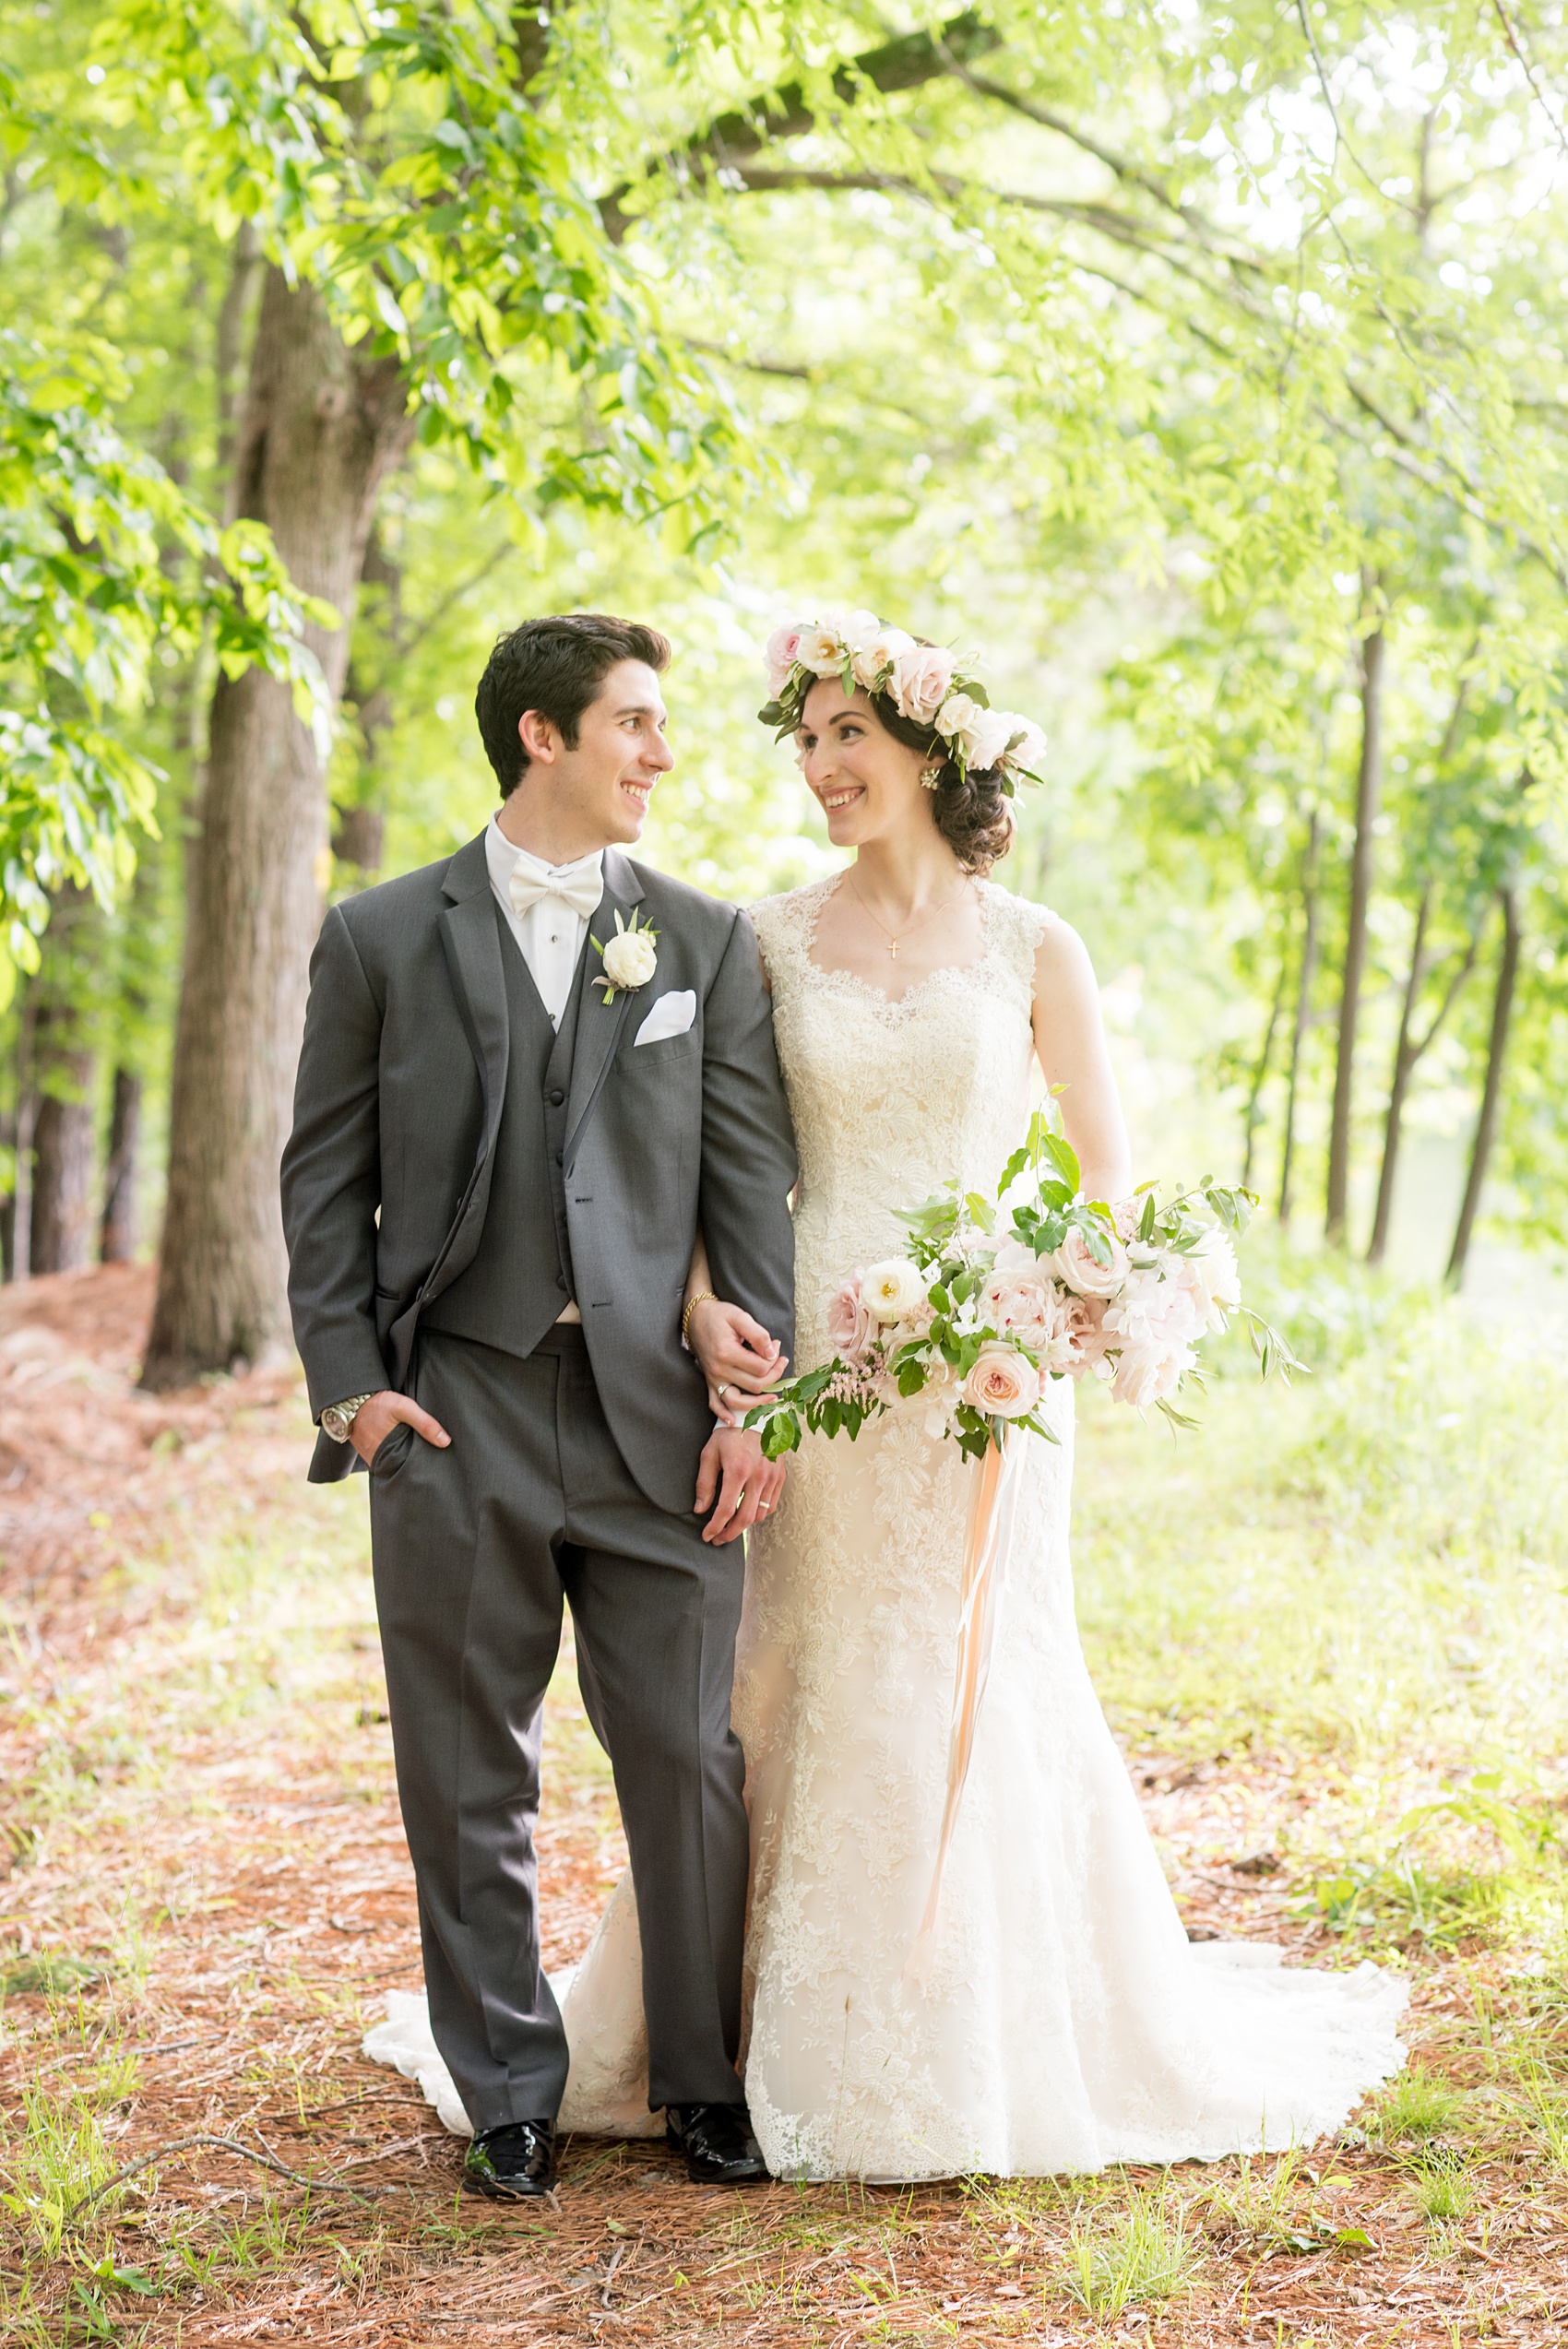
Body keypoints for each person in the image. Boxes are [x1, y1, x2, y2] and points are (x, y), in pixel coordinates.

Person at [442, 611, 1406, 2183]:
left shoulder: (1037, 946)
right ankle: (731, 2042)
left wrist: (1057, 1293)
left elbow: (1107, 1174)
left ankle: (978, 2033)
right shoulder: (756, 938)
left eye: (847, 737)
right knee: (787, 1671)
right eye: (805, 738)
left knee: (979, 1665)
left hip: (991, 1360)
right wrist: (704, 1316)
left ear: (930, 752)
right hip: (811, 1356)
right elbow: (699, 1172)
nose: (819, 765)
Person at [280, 613, 798, 2200]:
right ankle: (506, 2084)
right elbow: (326, 1181)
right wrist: (358, 1391)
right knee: (463, 1763)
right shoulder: (379, 937)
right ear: (542, 738)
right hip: (458, 1409)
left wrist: (751, 1393)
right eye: (636, 722)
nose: (663, 752)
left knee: (684, 1757)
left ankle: (705, 2084)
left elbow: (748, 1187)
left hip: (660, 1414)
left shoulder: (702, 943)